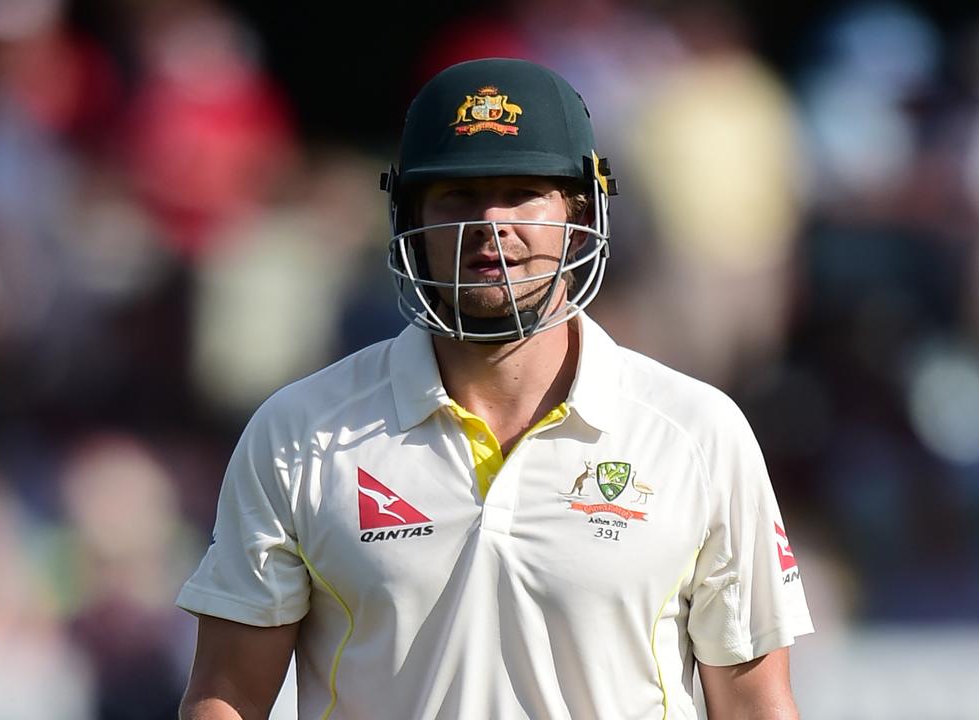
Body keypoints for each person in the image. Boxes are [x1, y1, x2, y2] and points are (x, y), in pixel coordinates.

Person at [176, 57, 814, 719]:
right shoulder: (301, 432)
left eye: (520, 191)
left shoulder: (696, 432)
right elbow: (227, 697)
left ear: (581, 211)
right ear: (407, 218)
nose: (489, 222)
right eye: (456, 194)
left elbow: (752, 703)